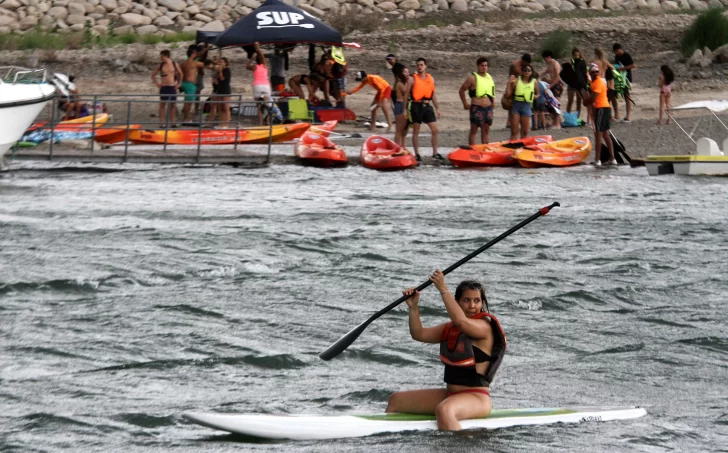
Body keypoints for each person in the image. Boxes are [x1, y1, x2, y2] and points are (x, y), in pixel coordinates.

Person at [385, 271, 507, 431]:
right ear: (457, 302)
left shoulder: (484, 327)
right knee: (396, 400)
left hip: (477, 397)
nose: (472, 305)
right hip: (451, 395)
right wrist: (413, 308)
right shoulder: (450, 328)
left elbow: (462, 323)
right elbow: (419, 334)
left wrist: (443, 288)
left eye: (477, 301)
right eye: (466, 300)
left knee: (444, 411)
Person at [408, 57, 442, 160]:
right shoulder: (412, 79)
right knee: (416, 131)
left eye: (421, 65)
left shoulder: (430, 79)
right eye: (418, 65)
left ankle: (435, 153)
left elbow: (433, 95)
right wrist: (405, 109)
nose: (419, 67)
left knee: (435, 130)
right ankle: (417, 154)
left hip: (427, 106)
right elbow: (406, 95)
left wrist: (437, 108)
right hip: (416, 106)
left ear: (425, 66)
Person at [458, 57, 495, 145]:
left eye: (486, 65)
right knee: (474, 130)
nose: (484, 67)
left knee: (485, 131)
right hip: (477, 107)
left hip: (488, 107)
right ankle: (472, 151)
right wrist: (465, 103)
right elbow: (462, 90)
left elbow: (491, 92)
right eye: (482, 65)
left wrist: (493, 103)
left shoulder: (489, 78)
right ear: (478, 66)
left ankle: (485, 150)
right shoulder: (472, 78)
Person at [584, 63, 615, 166]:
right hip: (603, 108)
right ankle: (612, 159)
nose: (595, 74)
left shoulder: (598, 82)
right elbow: (591, 91)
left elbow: (593, 98)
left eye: (596, 72)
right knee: (605, 134)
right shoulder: (594, 82)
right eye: (593, 72)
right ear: (590, 73)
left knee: (599, 134)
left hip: (602, 108)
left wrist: (585, 101)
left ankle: (598, 160)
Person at [505, 63, 539, 140]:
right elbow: (507, 94)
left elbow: (538, 93)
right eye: (525, 70)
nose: (526, 72)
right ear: (522, 72)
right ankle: (513, 147)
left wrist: (534, 97)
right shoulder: (516, 81)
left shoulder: (534, 82)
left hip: (526, 106)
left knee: (524, 132)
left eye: (528, 70)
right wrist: (509, 82)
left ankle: (523, 149)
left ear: (531, 72)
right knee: (514, 131)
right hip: (516, 106)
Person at [152, 49, 183, 127]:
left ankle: (173, 123)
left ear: (165, 55)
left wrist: (179, 83)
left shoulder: (175, 64)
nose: (160, 58)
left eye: (161, 56)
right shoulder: (161, 65)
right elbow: (153, 75)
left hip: (172, 87)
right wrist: (157, 84)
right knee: (162, 105)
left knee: (172, 105)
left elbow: (181, 74)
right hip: (164, 87)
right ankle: (162, 123)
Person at [247, 43, 272, 125]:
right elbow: (262, 56)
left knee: (259, 106)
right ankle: (268, 122)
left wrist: (252, 57)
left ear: (256, 60)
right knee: (267, 105)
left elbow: (247, 66)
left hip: (257, 86)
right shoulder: (265, 66)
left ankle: (261, 123)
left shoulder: (254, 67)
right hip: (265, 86)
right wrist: (258, 47)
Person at [180, 45, 205, 123]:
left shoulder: (183, 63)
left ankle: (186, 117)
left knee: (187, 102)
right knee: (189, 103)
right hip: (190, 84)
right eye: (195, 53)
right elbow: (204, 64)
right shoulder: (194, 63)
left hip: (184, 83)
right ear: (193, 53)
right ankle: (186, 119)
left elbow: (179, 73)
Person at [613, 43, 636, 122]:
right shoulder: (616, 57)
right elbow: (616, 65)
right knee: (615, 95)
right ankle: (617, 115)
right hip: (618, 78)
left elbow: (633, 65)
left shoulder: (627, 56)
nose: (616, 53)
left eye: (616, 51)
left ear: (619, 49)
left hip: (626, 78)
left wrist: (623, 68)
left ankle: (628, 116)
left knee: (626, 96)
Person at [541, 50, 562, 129]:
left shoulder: (555, 64)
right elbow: (547, 71)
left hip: (557, 85)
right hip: (553, 84)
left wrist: (549, 86)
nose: (545, 61)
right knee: (552, 104)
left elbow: (558, 77)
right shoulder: (549, 64)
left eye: (545, 59)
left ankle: (557, 124)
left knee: (556, 104)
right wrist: (539, 77)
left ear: (548, 57)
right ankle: (556, 122)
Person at [566, 48, 587, 120]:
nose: (576, 56)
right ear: (573, 55)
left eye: (578, 55)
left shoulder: (582, 62)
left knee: (579, 101)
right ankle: (567, 117)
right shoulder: (571, 61)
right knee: (570, 101)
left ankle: (577, 117)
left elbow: (584, 73)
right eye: (575, 55)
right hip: (572, 83)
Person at [393, 65, 410, 147]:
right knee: (399, 130)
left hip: (405, 105)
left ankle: (403, 147)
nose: (407, 74)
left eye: (408, 72)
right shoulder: (399, 83)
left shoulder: (405, 83)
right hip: (400, 105)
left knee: (405, 130)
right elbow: (406, 93)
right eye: (405, 72)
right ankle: (397, 148)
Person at [215, 57, 232, 128]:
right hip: (220, 90)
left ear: (225, 63)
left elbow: (222, 78)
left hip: (225, 90)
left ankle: (226, 124)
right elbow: (217, 80)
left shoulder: (227, 70)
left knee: (226, 108)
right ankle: (220, 124)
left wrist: (220, 70)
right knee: (220, 108)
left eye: (221, 62)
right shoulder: (219, 71)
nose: (220, 63)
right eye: (219, 62)